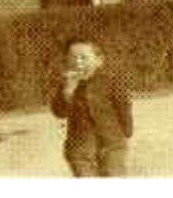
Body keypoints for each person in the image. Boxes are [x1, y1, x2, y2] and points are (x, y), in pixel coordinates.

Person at [50, 38, 133, 177]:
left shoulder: (110, 81)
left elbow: (123, 106)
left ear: (99, 61)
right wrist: (67, 92)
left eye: (83, 58)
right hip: (80, 148)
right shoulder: (66, 84)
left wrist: (127, 130)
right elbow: (59, 112)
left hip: (112, 143)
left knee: (114, 175)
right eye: (73, 58)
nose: (78, 62)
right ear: (67, 61)